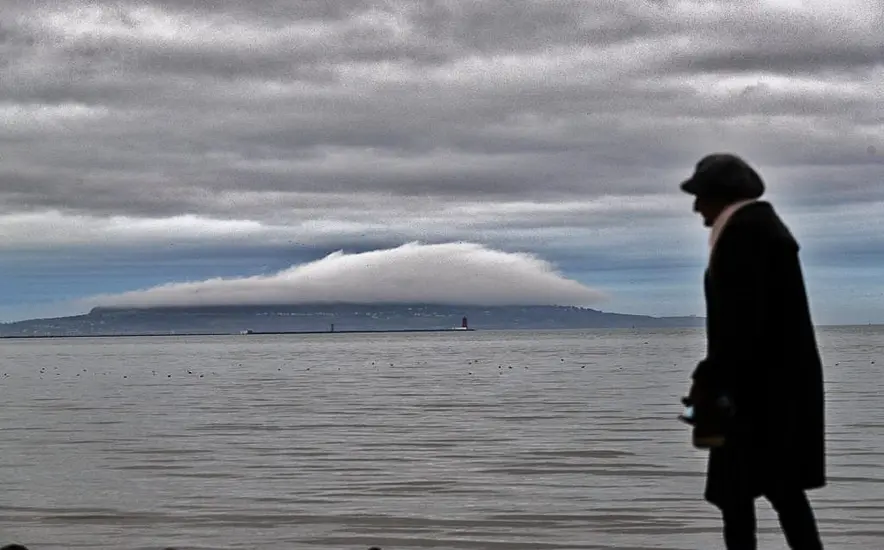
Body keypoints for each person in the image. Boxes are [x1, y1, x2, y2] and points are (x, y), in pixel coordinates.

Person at [679, 153, 827, 549]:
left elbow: (740, 325)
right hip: (770, 392)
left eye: (701, 197)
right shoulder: (760, 229)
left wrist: (706, 380)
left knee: (742, 497)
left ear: (721, 196)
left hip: (756, 397)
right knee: (780, 492)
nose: (696, 208)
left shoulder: (744, 235)